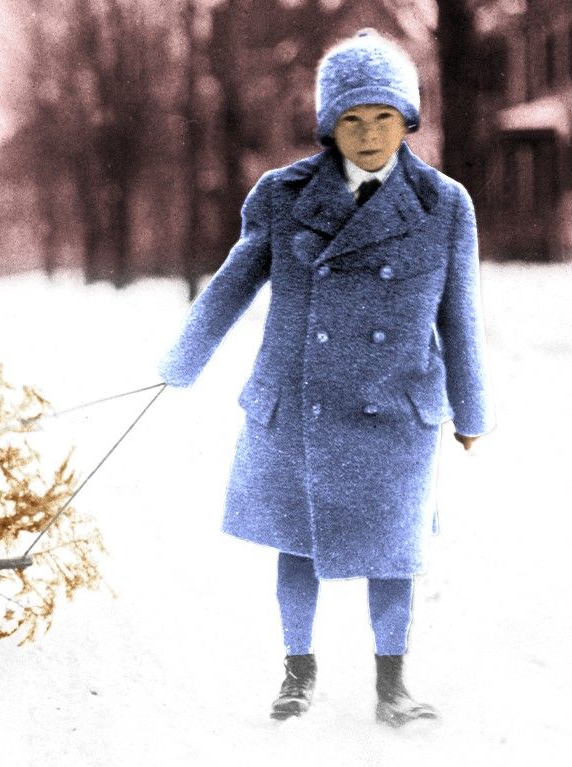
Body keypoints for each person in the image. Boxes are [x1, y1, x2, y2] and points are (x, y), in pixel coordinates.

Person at [158, 30, 491, 726]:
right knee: (298, 544)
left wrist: (471, 413)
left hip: (395, 405)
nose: (369, 135)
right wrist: (181, 363)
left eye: (384, 118)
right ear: (328, 125)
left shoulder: (443, 204)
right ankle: (297, 673)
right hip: (298, 403)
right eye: (351, 119)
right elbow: (233, 283)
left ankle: (392, 687)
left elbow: (461, 315)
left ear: (408, 120)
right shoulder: (283, 195)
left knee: (395, 553)